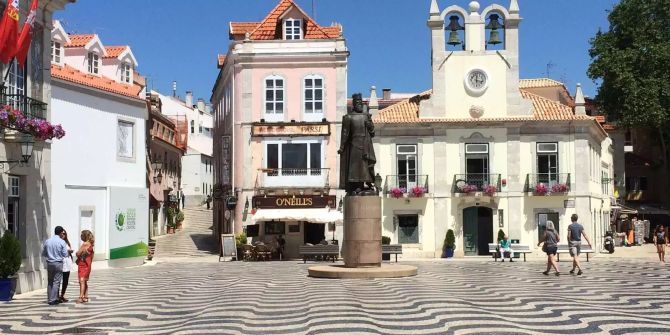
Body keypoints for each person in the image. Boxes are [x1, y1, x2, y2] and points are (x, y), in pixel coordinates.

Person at [41, 226, 69, 305]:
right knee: (56, 281)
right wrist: (68, 252)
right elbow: (65, 254)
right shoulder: (62, 242)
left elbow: (43, 253)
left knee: (50, 281)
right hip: (58, 263)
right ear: (60, 233)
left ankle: (49, 298)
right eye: (62, 233)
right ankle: (52, 299)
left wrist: (50, 255)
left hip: (49, 263)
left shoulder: (48, 241)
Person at [76, 230, 95, 304]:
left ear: (85, 236)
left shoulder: (85, 244)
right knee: (84, 281)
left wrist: (77, 253)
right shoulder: (90, 244)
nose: (80, 237)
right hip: (88, 265)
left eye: (81, 235)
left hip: (83, 265)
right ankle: (86, 296)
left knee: (81, 281)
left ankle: (81, 297)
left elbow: (78, 254)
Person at [60, 230, 74, 303]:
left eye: (64, 233)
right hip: (61, 263)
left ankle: (62, 295)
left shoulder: (67, 242)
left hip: (67, 263)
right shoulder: (58, 242)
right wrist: (67, 251)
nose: (63, 234)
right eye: (62, 233)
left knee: (66, 280)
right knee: (58, 280)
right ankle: (57, 296)